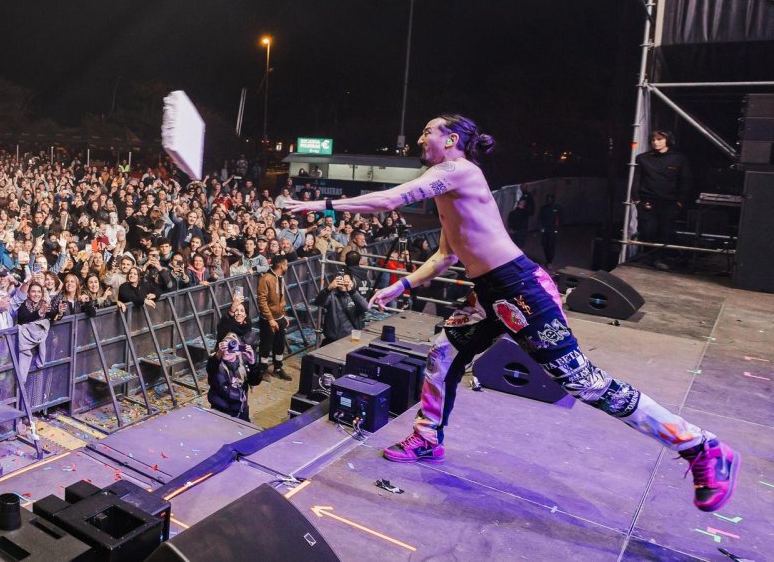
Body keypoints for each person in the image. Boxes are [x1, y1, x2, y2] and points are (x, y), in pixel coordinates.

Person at [286, 114, 737, 513]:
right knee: (443, 354)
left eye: (428, 131)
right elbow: (445, 256)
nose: (420, 138)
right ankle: (427, 437)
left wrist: (318, 204)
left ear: (451, 140)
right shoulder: (448, 190)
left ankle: (700, 445)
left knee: (583, 382)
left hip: (520, 290)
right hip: (491, 294)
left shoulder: (459, 171)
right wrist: (401, 286)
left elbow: (387, 201)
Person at [632, 130, 694, 270]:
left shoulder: (679, 158)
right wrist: (636, 200)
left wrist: (680, 201)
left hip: (669, 202)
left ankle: (663, 258)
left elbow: (686, 181)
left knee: (666, 231)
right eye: (653, 140)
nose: (656, 142)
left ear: (667, 140)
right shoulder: (643, 158)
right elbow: (637, 179)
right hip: (648, 200)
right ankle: (651, 258)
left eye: (659, 139)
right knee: (647, 230)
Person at [256, 254, 292, 381]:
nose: (287, 266)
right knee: (266, 345)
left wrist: (284, 315)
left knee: (279, 344)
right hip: (268, 319)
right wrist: (270, 319)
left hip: (279, 316)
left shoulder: (281, 277)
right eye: (286, 264)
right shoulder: (265, 279)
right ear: (281, 265)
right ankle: (262, 369)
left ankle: (278, 368)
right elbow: (262, 301)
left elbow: (281, 298)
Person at [205, 332, 257, 421]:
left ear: (238, 350)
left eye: (231, 347)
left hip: (240, 410)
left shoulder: (243, 363)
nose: (227, 351)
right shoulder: (215, 362)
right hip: (220, 411)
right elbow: (210, 369)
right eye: (226, 347)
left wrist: (252, 362)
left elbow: (255, 381)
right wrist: (218, 354)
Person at [312, 272, 369, 345]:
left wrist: (351, 290)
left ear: (352, 282)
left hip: (349, 338)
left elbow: (365, 307)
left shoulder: (355, 296)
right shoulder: (332, 296)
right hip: (331, 338)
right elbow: (318, 303)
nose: (343, 283)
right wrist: (329, 288)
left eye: (346, 281)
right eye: (341, 280)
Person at [538, 194, 563, 269]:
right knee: (545, 245)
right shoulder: (543, 208)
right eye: (548, 199)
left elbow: (561, 219)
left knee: (551, 246)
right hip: (545, 229)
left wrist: (557, 229)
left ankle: (549, 262)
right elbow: (540, 218)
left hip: (553, 230)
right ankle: (547, 259)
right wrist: (541, 228)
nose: (549, 200)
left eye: (550, 199)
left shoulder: (558, 208)